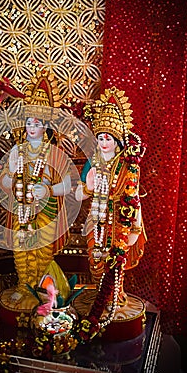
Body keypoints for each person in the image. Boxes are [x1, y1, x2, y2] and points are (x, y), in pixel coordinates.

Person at [0, 71, 71, 308]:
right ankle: (23, 285)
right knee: (21, 250)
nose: (31, 128)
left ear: (45, 127)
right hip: (21, 208)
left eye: (37, 124)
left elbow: (69, 185)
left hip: (46, 210)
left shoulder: (54, 152)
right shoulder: (16, 151)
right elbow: (4, 181)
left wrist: (49, 191)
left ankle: (40, 288)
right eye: (29, 123)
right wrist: (10, 181)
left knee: (41, 251)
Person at [75, 87, 147, 313]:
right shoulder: (93, 162)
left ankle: (116, 294)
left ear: (117, 141)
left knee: (115, 262)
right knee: (95, 261)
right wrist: (88, 187)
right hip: (95, 220)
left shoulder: (128, 164)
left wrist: (134, 227)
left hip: (120, 222)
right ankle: (100, 293)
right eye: (100, 138)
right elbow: (78, 195)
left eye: (108, 138)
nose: (103, 142)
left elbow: (134, 197)